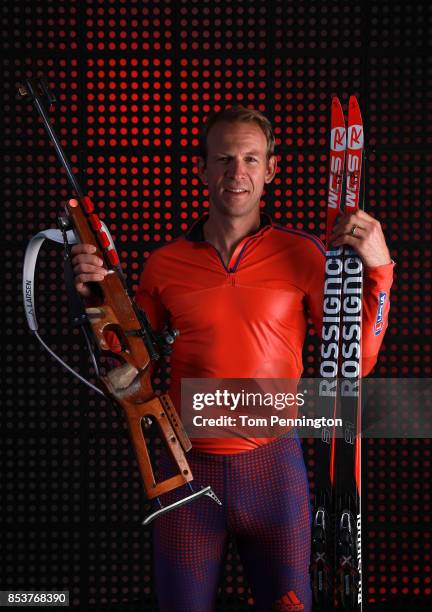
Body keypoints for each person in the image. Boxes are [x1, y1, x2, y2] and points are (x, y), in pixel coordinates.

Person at [71, 107, 394, 612]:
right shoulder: (163, 264)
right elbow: (133, 374)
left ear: (270, 170)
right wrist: (94, 300)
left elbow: (355, 363)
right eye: (223, 158)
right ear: (201, 169)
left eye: (249, 158)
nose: (235, 171)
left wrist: (379, 270)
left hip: (275, 476)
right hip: (184, 474)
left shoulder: (306, 254)